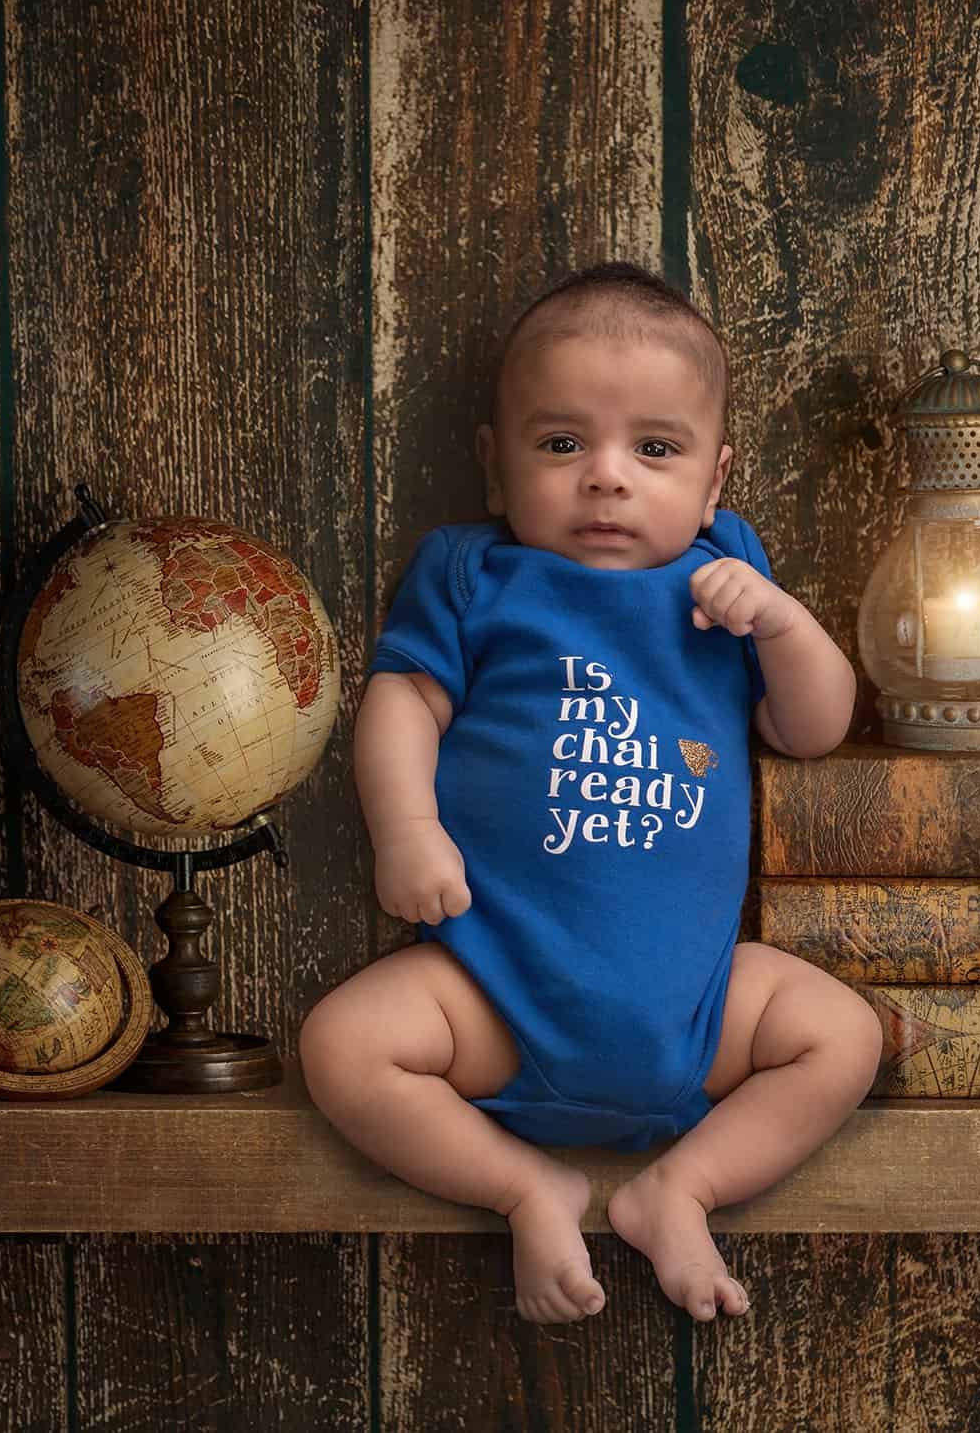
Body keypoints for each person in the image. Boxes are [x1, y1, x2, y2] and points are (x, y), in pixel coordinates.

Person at [298, 262, 882, 1324]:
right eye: (560, 444)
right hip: (494, 990)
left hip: (699, 1011)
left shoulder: (725, 579)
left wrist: (781, 622)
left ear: (713, 479)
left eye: (654, 449)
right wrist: (407, 829)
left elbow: (814, 729)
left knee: (841, 1036)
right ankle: (524, 1184)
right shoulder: (473, 576)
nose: (606, 477)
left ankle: (681, 1188)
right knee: (342, 1046)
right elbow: (401, 699)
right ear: (494, 463)